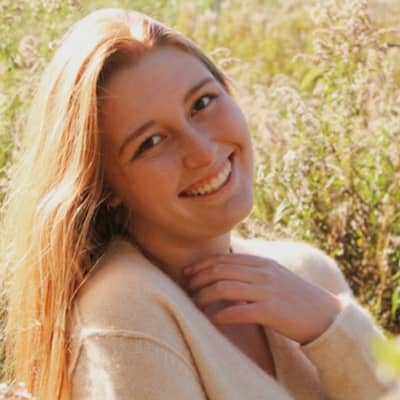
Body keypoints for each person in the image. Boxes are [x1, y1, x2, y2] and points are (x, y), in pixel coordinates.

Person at [1, 8, 396, 400]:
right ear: (104, 186)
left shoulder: (310, 275)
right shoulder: (123, 312)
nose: (203, 152)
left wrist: (330, 327)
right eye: (151, 142)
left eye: (202, 103)